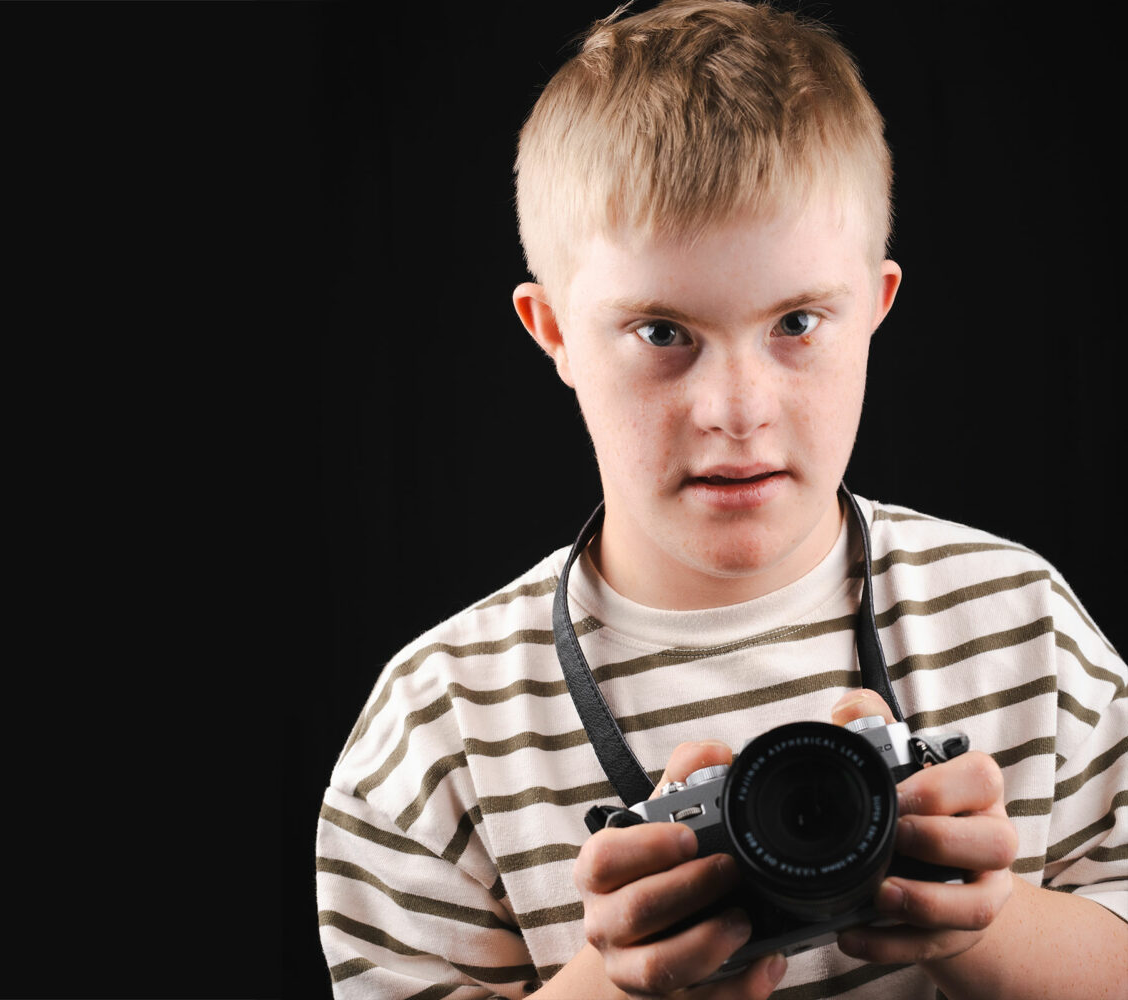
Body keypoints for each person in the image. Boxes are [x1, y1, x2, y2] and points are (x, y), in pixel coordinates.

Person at [314, 1, 1128, 997]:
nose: (735, 412)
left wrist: (981, 917)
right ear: (554, 332)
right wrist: (618, 983)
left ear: (873, 309)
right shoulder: (433, 733)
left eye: (796, 320)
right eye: (663, 333)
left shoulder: (1023, 628)